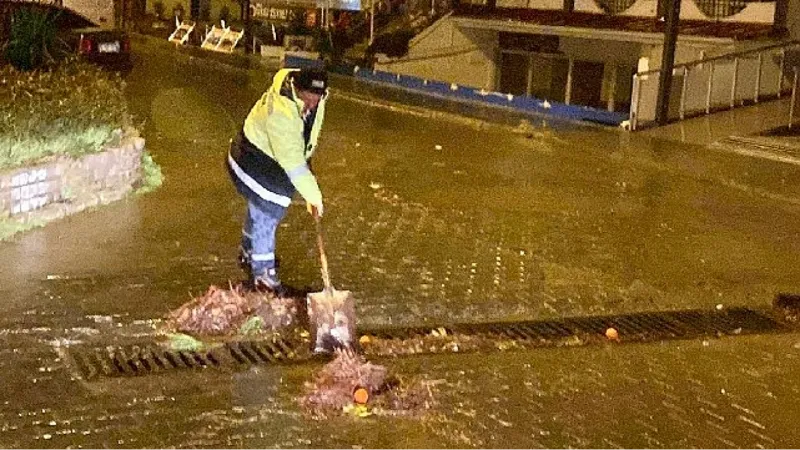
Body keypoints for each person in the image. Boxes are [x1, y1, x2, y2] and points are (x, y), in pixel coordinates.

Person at [226, 67, 328, 295]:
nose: (311, 105)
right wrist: (313, 196)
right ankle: (263, 278)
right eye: (307, 100)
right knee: (269, 208)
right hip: (250, 158)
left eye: (316, 100)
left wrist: (307, 161)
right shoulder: (281, 112)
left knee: (260, 204)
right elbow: (292, 162)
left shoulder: (309, 95)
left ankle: (248, 253)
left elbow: (302, 140)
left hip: (268, 156)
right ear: (296, 89)